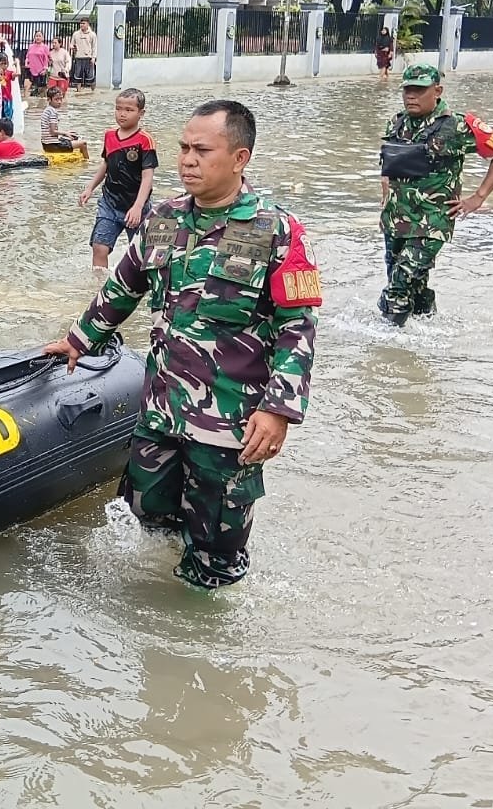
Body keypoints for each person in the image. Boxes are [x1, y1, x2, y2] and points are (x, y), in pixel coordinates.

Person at [44, 100, 320, 590]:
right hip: (160, 414)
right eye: (183, 148)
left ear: (239, 159)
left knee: (215, 559)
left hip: (228, 427)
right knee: (147, 519)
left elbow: (297, 327)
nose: (187, 159)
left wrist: (279, 410)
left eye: (202, 150)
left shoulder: (276, 232)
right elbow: (122, 288)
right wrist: (77, 341)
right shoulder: (164, 219)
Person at [378, 63, 493, 326]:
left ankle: (386, 345)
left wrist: (478, 197)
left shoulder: (458, 126)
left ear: (437, 91)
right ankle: (426, 332)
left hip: (432, 222)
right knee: (412, 284)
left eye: (419, 90)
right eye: (407, 90)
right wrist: (386, 199)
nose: (411, 96)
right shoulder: (397, 122)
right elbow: (388, 164)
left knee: (399, 284)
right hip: (396, 221)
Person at [79, 88, 157, 281]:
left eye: (129, 110)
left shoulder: (144, 140)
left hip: (135, 205)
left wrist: (138, 207)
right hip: (109, 203)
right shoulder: (109, 136)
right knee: (99, 246)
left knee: (141, 254)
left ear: (141, 113)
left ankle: (140, 288)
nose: (122, 114)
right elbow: (106, 163)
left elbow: (148, 176)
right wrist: (90, 187)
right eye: (118, 108)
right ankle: (99, 288)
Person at [41, 86, 90, 159]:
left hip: (46, 145)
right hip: (53, 146)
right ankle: (87, 162)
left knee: (73, 136)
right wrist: (65, 133)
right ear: (49, 99)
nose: (59, 102)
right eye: (56, 99)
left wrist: (67, 133)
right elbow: (52, 132)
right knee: (83, 143)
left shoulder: (47, 110)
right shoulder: (53, 112)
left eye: (61, 99)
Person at [71, 18, 98, 88]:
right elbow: (71, 44)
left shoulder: (92, 34)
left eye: (83, 23)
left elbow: (94, 47)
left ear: (87, 24)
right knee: (77, 77)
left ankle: (92, 91)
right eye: (81, 23)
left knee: (90, 77)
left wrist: (93, 58)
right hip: (78, 57)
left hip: (89, 58)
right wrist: (73, 47)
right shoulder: (76, 34)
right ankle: (78, 91)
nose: (81, 25)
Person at [23, 30, 50, 97]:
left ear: (43, 38)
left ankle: (41, 105)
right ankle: (26, 102)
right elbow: (27, 56)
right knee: (26, 87)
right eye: (36, 36)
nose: (38, 37)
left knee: (41, 91)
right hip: (30, 69)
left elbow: (46, 59)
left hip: (40, 71)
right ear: (34, 37)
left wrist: (45, 69)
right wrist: (26, 63)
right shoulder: (31, 46)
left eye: (39, 36)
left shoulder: (45, 47)